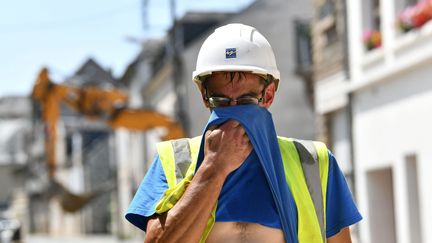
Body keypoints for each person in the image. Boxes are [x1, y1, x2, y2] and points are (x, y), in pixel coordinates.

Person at [125, 23, 362, 243]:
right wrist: (213, 168)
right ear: (205, 99)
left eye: (246, 101)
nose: (234, 112)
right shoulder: (173, 160)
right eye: (221, 101)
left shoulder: (314, 163)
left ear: (268, 96)